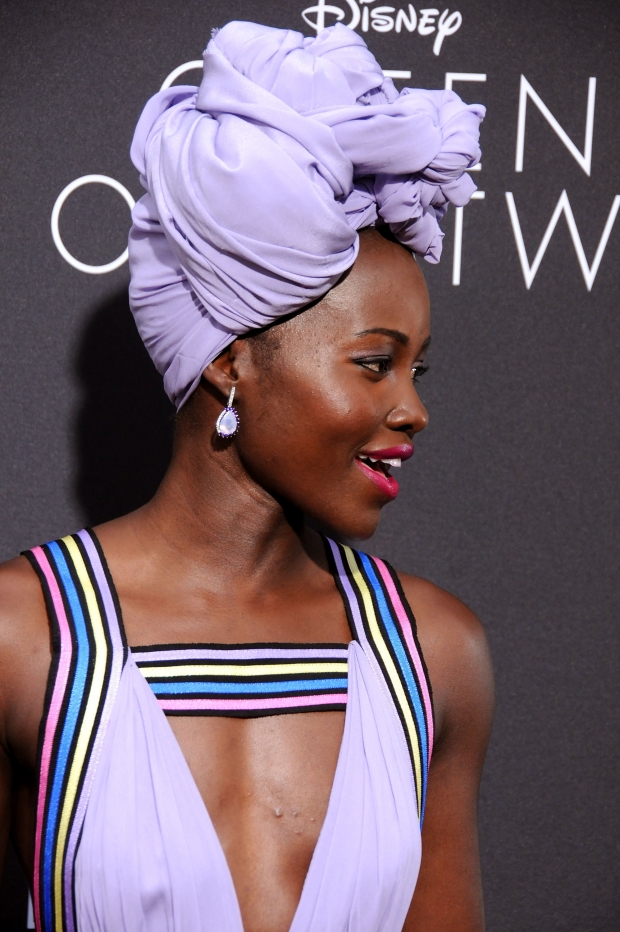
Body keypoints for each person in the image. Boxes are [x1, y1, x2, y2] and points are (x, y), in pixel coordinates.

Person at [0, 20, 494, 932]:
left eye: (416, 371)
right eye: (374, 363)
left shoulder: (436, 656)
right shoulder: (25, 640)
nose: (413, 410)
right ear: (231, 362)